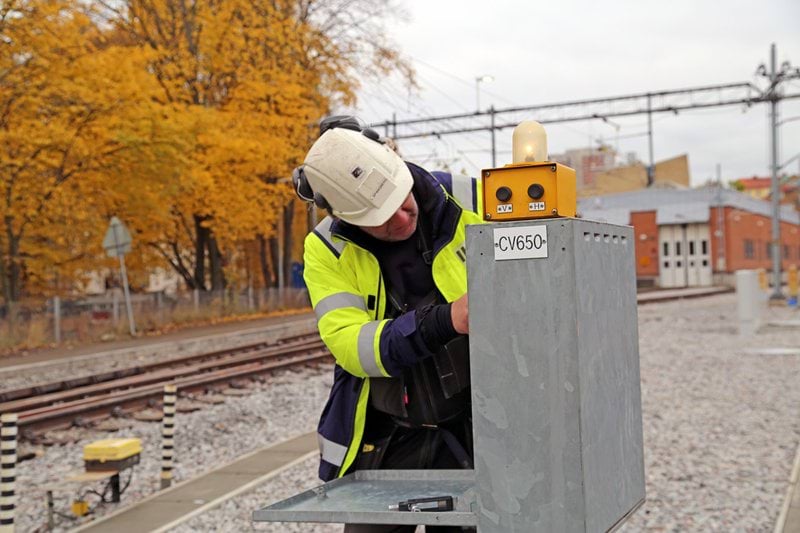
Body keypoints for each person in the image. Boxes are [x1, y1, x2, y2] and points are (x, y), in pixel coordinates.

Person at [294, 116, 483, 532]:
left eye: (403, 200)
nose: (400, 218)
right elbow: (352, 347)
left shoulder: (472, 197)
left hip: (475, 430)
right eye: (379, 218)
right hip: (390, 437)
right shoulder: (327, 249)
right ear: (344, 216)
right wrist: (446, 320)